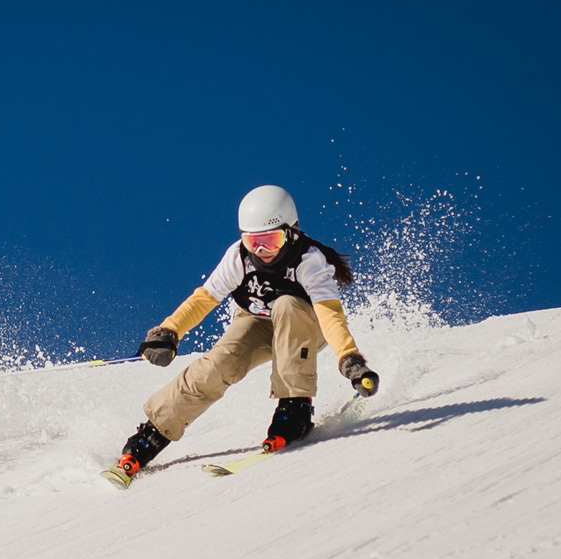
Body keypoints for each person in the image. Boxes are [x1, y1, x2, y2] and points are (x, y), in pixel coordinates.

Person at [109, 184, 379, 485]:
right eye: (253, 242)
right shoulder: (239, 257)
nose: (262, 252)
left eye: (271, 241)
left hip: (305, 327)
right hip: (256, 321)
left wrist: (349, 358)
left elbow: (329, 314)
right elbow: (204, 299)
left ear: (291, 233)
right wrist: (169, 330)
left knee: (288, 304)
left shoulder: (309, 261)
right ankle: (153, 434)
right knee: (218, 363)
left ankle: (295, 407)